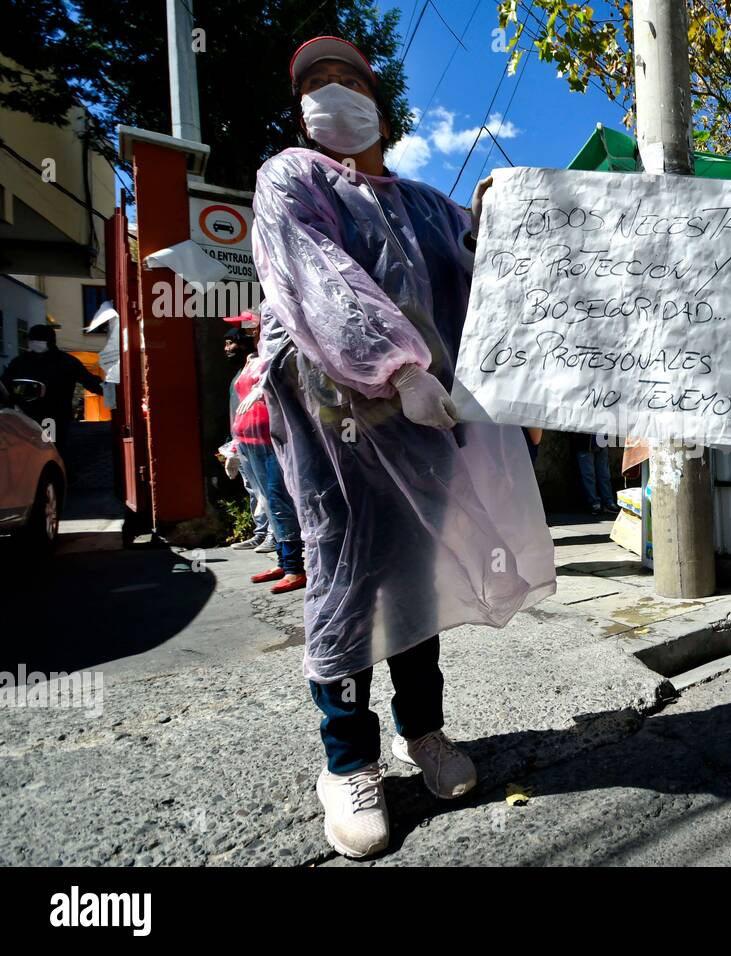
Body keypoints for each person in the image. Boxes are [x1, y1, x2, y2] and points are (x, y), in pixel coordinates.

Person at [251, 36, 555, 859]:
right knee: (347, 584)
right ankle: (348, 763)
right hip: (341, 427)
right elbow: (319, 281)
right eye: (314, 84)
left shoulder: (423, 202)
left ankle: (422, 733)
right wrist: (395, 368)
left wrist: (499, 216)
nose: (331, 95)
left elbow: (479, 273)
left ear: (377, 101)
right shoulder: (293, 178)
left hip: (423, 431)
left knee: (418, 583)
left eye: (346, 79)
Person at [227, 312, 307, 593]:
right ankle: (283, 562)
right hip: (249, 441)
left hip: (273, 439)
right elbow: (237, 404)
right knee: (268, 502)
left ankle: (295, 567)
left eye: (250, 325)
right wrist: (234, 446)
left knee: (279, 500)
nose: (246, 331)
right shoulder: (249, 363)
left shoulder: (278, 357)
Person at [1, 324, 103, 458]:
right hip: (25, 415)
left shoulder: (66, 362)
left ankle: (58, 474)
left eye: (35, 340)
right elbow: (5, 385)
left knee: (50, 450)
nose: (32, 343)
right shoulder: (21, 361)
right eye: (31, 340)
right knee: (26, 451)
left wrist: (110, 391)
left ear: (48, 342)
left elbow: (90, 381)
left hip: (54, 416)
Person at [220, 326, 274, 553]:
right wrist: (233, 445)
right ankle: (261, 532)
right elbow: (237, 409)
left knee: (268, 489)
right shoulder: (241, 371)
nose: (227, 348)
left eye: (231, 342)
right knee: (253, 489)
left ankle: (275, 535)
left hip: (261, 438)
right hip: (243, 439)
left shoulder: (259, 365)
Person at [572, 432, 618, 516]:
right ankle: (595, 502)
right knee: (589, 474)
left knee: (604, 474)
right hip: (585, 440)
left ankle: (607, 501)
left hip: (600, 437)